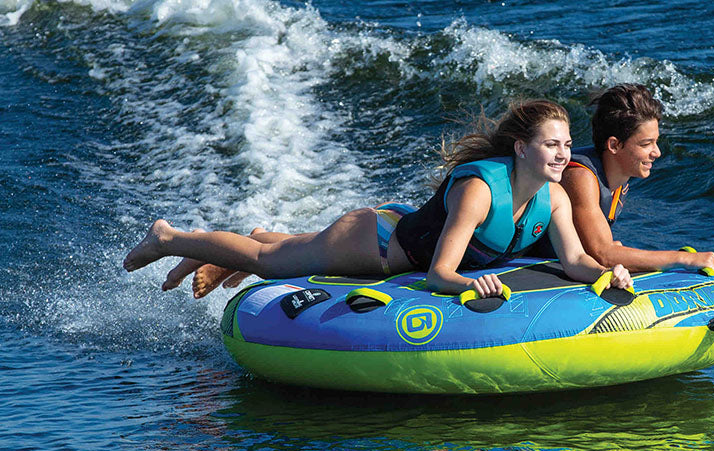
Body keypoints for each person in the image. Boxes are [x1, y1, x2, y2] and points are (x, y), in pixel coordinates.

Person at [123, 100, 632, 299]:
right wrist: (475, 286)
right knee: (269, 262)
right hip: (379, 244)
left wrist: (609, 274)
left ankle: (230, 241)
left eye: (567, 145)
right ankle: (170, 238)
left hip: (408, 229)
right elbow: (440, 274)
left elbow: (576, 260)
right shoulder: (479, 191)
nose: (564, 154)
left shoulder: (556, 198)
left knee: (281, 248)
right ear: (522, 149)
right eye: (551, 145)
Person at [534, 84, 714, 273]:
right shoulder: (580, 176)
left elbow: (602, 249)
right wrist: (684, 259)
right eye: (646, 144)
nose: (657, 152)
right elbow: (603, 254)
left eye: (656, 142)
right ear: (614, 145)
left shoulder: (618, 177)